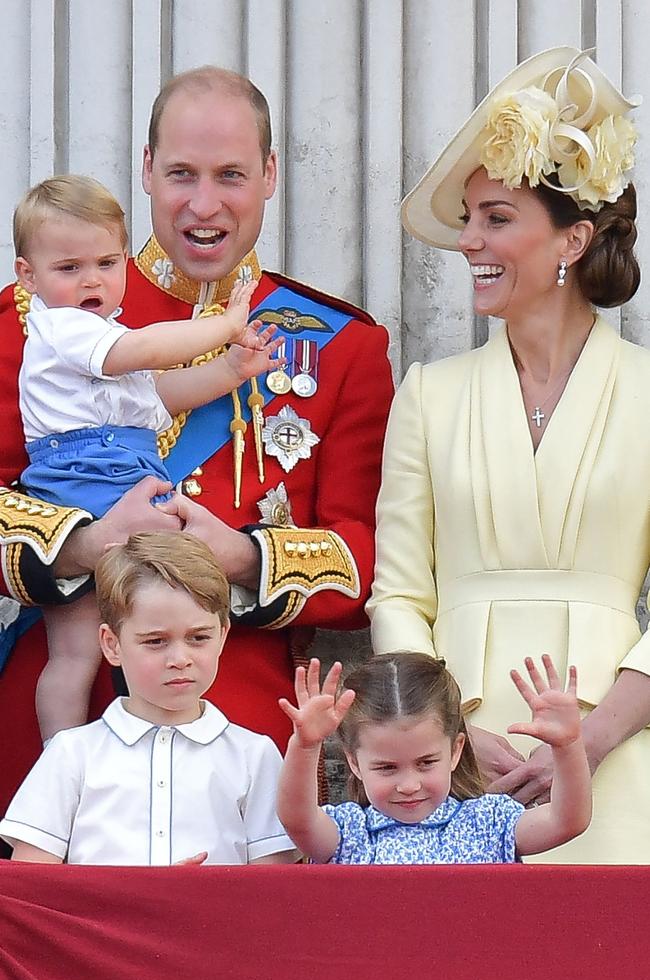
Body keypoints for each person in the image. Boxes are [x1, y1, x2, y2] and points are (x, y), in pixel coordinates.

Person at [0, 67, 393, 814]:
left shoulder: (342, 345)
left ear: (270, 175)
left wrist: (242, 554)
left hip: (242, 734)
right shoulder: (30, 318)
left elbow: (368, 561)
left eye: (232, 175)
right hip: (60, 724)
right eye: (182, 173)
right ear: (146, 168)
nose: (204, 204)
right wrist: (83, 544)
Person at [367, 46, 650, 863]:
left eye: (496, 217)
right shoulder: (430, 392)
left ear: (574, 240)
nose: (468, 242)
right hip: (452, 768)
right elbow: (398, 591)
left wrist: (588, 743)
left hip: (619, 747)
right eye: (468, 217)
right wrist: (443, 732)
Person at [14, 174, 283, 744]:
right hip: (78, 487)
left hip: (129, 469)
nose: (92, 281)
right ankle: (61, 766)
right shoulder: (63, 327)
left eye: (107, 264)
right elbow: (138, 353)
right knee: (74, 654)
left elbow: (159, 398)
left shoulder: (105, 333)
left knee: (156, 634)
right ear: (27, 277)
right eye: (69, 269)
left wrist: (231, 370)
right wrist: (225, 326)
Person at [0, 532, 298, 865]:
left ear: (223, 635)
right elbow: (32, 882)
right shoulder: (72, 753)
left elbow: (273, 886)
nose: (180, 658)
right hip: (97, 919)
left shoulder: (254, 756)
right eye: (156, 641)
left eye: (199, 637)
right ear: (112, 644)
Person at [277, 653, 591, 863]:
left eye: (426, 763)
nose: (410, 785)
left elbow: (567, 821)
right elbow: (298, 820)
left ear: (455, 751)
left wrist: (568, 746)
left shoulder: (489, 822)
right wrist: (305, 746)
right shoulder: (348, 833)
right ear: (355, 763)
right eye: (387, 768)